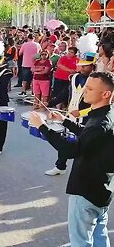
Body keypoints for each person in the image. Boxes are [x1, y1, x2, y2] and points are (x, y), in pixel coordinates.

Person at [30, 71, 114, 246]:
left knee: (81, 241)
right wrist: (65, 121)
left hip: (86, 190)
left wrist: (42, 127)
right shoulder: (106, 116)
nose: (84, 92)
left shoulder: (100, 123)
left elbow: (70, 150)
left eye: (90, 89)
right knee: (100, 235)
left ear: (106, 94)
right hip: (103, 188)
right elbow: (89, 136)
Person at [45, 34, 98, 176]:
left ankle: (83, 170)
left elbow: (99, 104)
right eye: (81, 64)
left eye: (86, 66)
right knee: (65, 141)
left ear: (92, 66)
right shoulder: (74, 77)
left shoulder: (96, 81)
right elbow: (65, 94)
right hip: (70, 115)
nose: (82, 67)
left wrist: (82, 113)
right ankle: (60, 166)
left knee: (83, 145)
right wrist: (50, 102)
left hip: (86, 118)